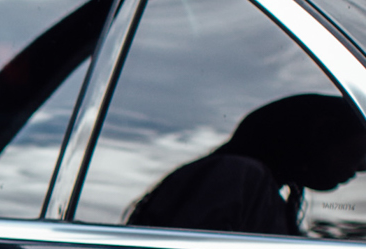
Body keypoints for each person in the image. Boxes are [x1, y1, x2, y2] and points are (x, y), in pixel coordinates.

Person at [127, 92, 366, 235]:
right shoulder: (238, 175)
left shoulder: (262, 192)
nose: (361, 167)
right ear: (321, 136)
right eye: (361, 150)